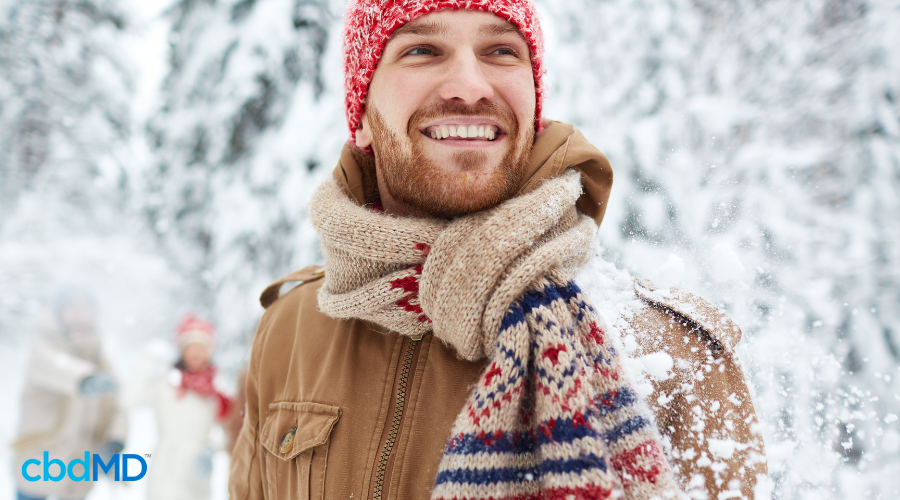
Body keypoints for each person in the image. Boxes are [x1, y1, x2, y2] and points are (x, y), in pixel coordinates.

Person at [229, 1, 768, 499]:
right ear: (363, 115)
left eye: (500, 52)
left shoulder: (672, 354)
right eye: (422, 50)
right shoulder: (290, 330)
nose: (468, 85)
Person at [12, 287, 127, 500]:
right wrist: (85, 379)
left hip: (78, 470)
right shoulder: (43, 347)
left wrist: (115, 440)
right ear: (58, 313)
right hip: (39, 462)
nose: (80, 315)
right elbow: (54, 368)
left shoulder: (101, 359)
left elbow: (117, 406)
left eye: (86, 308)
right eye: (73, 307)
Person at [124, 314, 233, 500]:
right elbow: (130, 401)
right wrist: (147, 363)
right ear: (181, 350)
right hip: (165, 471)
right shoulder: (167, 383)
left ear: (210, 350)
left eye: (202, 347)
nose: (196, 353)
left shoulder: (218, 389)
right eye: (190, 347)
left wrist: (210, 448)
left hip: (198, 476)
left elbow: (229, 432)